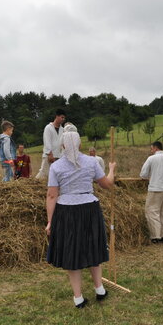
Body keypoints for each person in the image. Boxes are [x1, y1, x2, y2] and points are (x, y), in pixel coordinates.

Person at [46, 130, 116, 308]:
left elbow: (52, 196)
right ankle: (99, 289)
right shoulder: (92, 162)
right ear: (79, 145)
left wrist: (50, 221)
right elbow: (107, 184)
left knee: (72, 251)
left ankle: (78, 298)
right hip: (89, 209)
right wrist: (112, 169)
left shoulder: (56, 167)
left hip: (66, 211)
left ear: (62, 145)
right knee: (93, 246)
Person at [35, 109, 66, 180]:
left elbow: (62, 143)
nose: (63, 119)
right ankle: (34, 184)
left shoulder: (62, 129)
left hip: (59, 156)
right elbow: (47, 141)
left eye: (64, 118)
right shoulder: (48, 128)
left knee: (56, 175)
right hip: (49, 155)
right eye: (62, 117)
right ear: (57, 116)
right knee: (44, 173)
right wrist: (49, 154)